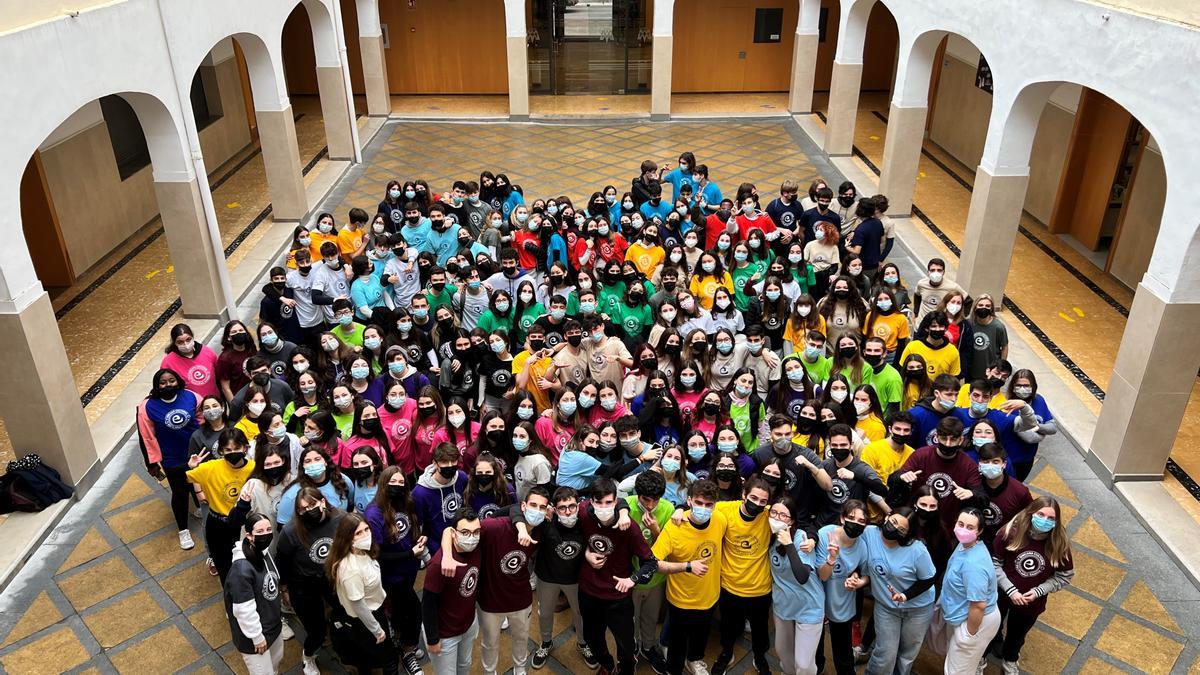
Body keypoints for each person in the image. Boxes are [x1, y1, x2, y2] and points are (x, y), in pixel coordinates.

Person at [990, 497, 1074, 674]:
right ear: (1031, 513)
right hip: (1000, 595)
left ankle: (1010, 661)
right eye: (1041, 514)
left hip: (1031, 603)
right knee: (989, 629)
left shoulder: (1059, 543)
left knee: (1017, 636)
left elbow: (1064, 576)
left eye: (1051, 518)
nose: (1045, 520)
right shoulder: (1010, 532)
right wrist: (1010, 589)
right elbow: (994, 563)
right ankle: (983, 656)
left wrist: (1039, 591)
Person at [653, 479, 727, 675]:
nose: (703, 508)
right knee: (678, 643)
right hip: (681, 601)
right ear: (690, 501)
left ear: (715, 505)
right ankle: (674, 669)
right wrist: (686, 566)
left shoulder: (720, 518)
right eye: (699, 503)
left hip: (710, 596)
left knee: (701, 635)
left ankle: (694, 660)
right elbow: (654, 563)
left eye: (709, 505)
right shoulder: (674, 527)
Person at [857, 508, 937, 674]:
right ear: (887, 516)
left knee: (906, 655)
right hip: (887, 606)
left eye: (901, 529)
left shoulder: (917, 550)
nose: (893, 528)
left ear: (907, 534)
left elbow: (928, 579)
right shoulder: (869, 533)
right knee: (885, 653)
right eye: (893, 521)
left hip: (918, 608)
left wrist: (905, 595)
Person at [365, 466, 428, 675]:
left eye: (401, 483)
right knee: (413, 611)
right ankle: (407, 650)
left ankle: (401, 640)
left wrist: (419, 539)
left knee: (400, 611)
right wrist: (410, 554)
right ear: (383, 484)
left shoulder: (406, 503)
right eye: (393, 483)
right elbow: (376, 554)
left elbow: (411, 528)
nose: (397, 487)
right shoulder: (374, 513)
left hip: (409, 571)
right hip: (391, 575)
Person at [277, 486, 346, 675]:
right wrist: (284, 589)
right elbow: (282, 561)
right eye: (302, 509)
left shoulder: (340, 518)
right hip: (303, 585)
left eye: (312, 505)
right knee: (316, 631)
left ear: (323, 502)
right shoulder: (290, 532)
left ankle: (342, 646)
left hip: (333, 579)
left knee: (345, 614)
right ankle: (308, 656)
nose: (308, 511)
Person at [711, 478, 775, 675]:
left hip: (760, 586)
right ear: (743, 495)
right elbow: (698, 503)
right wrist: (679, 510)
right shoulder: (725, 509)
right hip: (730, 584)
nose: (757, 503)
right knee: (729, 625)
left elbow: (796, 516)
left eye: (763, 501)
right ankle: (727, 652)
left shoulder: (770, 514)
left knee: (760, 627)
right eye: (753, 498)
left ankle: (759, 656)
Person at [326, 512, 399, 673]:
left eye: (366, 529)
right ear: (348, 538)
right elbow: (359, 606)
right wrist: (377, 630)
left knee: (369, 658)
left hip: (376, 610)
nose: (366, 535)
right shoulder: (350, 570)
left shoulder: (362, 552)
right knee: (388, 659)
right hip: (366, 620)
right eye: (358, 533)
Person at [136, 368, 201, 550]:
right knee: (180, 492)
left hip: (195, 452)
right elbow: (147, 436)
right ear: (157, 386)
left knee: (199, 483)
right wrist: (152, 462)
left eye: (171, 381)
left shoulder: (191, 396)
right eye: (162, 383)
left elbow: (201, 417)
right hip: (172, 458)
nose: (168, 385)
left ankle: (199, 508)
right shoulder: (147, 407)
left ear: (178, 381)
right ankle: (183, 530)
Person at [186, 428, 256, 582]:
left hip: (244, 525)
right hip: (217, 524)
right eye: (228, 450)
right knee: (224, 568)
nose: (233, 453)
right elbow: (181, 482)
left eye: (237, 448)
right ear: (222, 451)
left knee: (249, 565)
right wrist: (191, 467)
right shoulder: (210, 467)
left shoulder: (254, 468)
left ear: (245, 448)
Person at [423, 506, 484, 675]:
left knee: (465, 665)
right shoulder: (438, 565)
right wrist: (433, 639)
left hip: (468, 623)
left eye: (475, 532)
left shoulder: (477, 546)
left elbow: (510, 510)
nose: (471, 538)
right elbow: (428, 604)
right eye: (464, 532)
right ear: (454, 532)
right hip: (445, 634)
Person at [941, 507, 1001, 674]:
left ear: (979, 531)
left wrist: (969, 634)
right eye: (961, 524)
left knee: (957, 671)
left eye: (970, 527)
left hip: (975, 620)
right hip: (963, 614)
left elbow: (979, 605)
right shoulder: (964, 545)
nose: (963, 529)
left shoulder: (974, 565)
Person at [224, 512, 285, 675]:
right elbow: (243, 610)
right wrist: (257, 637)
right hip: (256, 635)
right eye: (260, 531)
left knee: (276, 661)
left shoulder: (262, 553)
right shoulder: (241, 570)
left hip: (273, 625)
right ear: (249, 535)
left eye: (268, 529)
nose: (266, 534)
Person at [769, 497, 824, 675]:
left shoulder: (802, 538)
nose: (777, 518)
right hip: (783, 604)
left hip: (809, 606)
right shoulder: (767, 535)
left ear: (791, 520)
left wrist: (790, 545)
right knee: (783, 654)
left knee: (804, 664)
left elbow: (802, 576)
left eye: (784, 515)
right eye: (774, 513)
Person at [913, 258, 965, 323]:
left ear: (943, 272)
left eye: (939, 270)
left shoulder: (952, 287)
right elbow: (917, 295)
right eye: (932, 270)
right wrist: (916, 314)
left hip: (940, 327)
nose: (936, 273)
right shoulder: (921, 284)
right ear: (928, 272)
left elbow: (968, 301)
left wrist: (958, 318)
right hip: (921, 325)